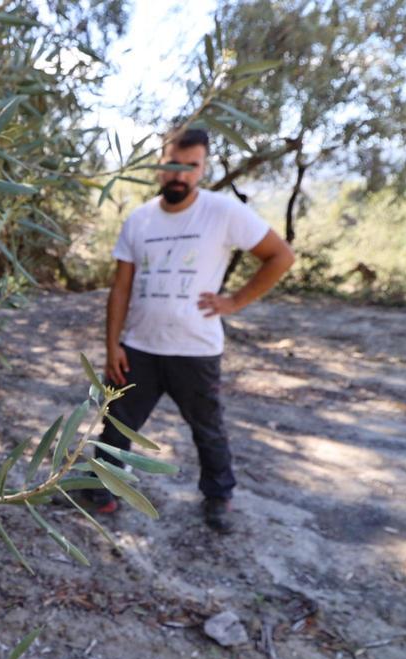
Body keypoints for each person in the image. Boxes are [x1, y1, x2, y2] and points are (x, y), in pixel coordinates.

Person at [91, 128, 295, 532]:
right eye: (172, 165)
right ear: (158, 165)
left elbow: (280, 256)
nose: (179, 175)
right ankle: (102, 490)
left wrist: (234, 302)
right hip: (138, 347)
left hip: (196, 349)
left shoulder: (223, 212)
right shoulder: (139, 219)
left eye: (190, 167)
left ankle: (218, 497)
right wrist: (112, 344)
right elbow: (121, 288)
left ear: (202, 169)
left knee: (208, 429)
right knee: (116, 422)